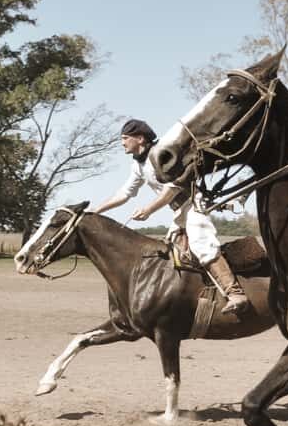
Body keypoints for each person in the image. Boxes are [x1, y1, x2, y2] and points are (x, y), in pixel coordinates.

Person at [94, 119, 250, 314]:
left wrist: (148, 210)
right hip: (179, 212)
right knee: (173, 251)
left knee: (201, 244)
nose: (122, 143)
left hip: (193, 205)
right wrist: (96, 211)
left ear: (140, 139)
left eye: (125, 138)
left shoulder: (162, 154)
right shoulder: (137, 165)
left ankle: (235, 293)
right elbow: (124, 193)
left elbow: (172, 190)